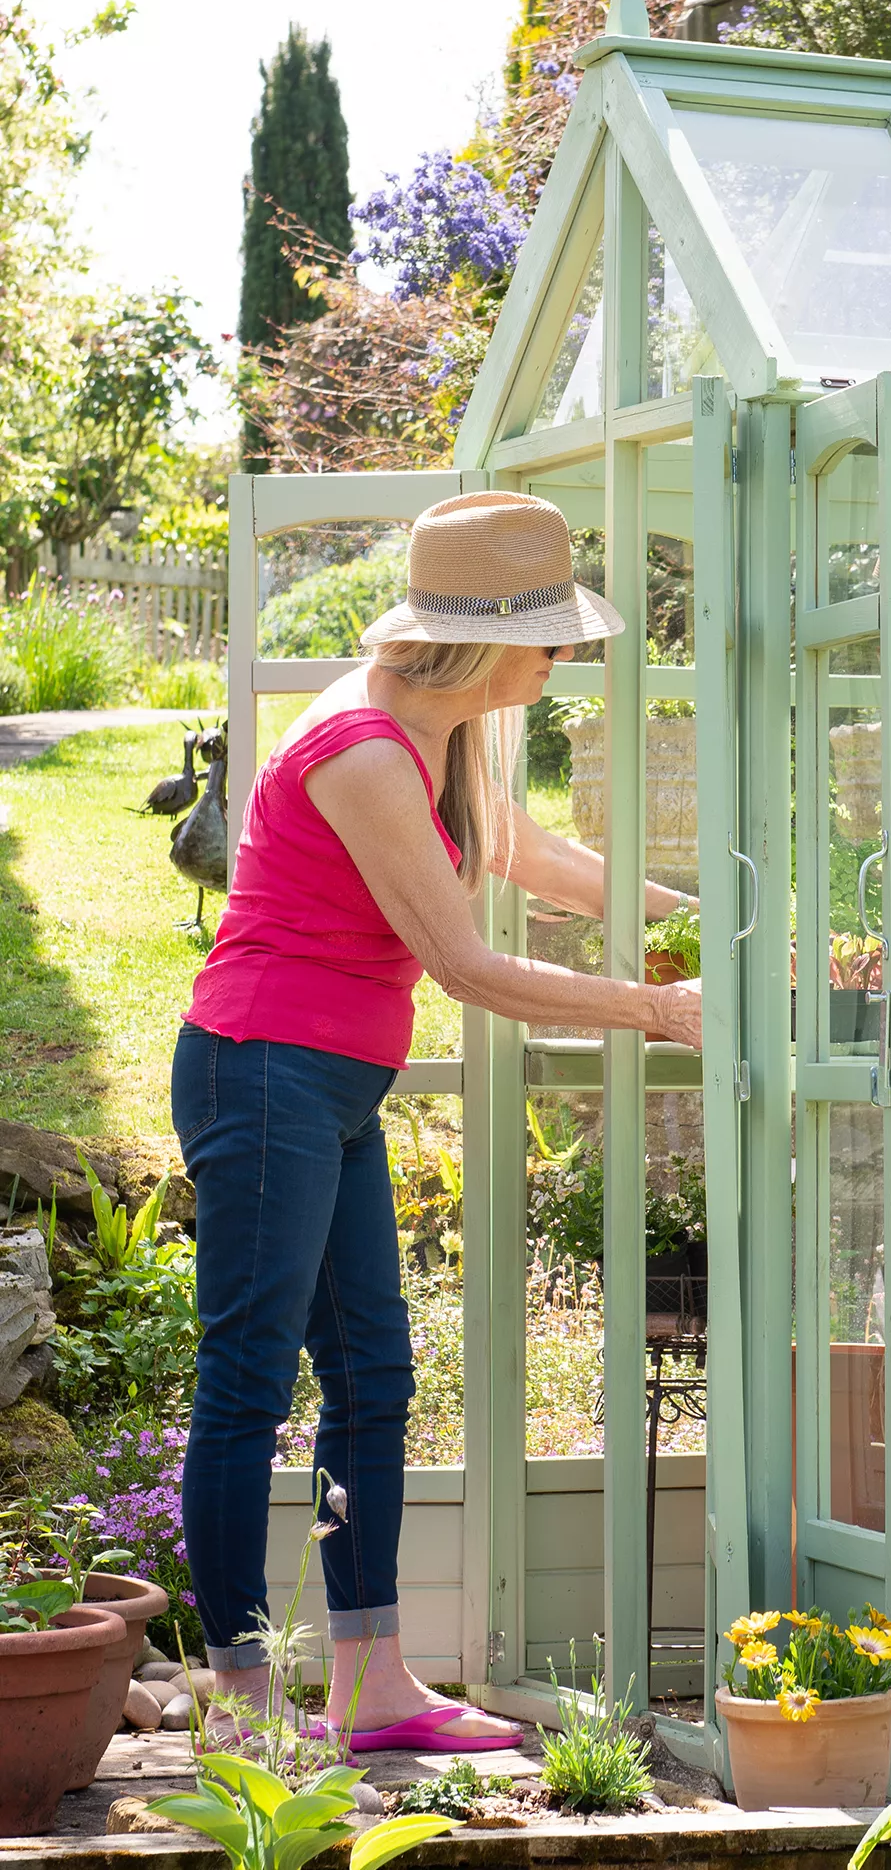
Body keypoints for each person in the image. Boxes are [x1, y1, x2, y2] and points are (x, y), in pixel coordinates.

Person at [173, 491, 700, 1751]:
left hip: (330, 1082)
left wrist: (697, 911)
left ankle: (370, 1685)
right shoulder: (360, 743)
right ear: (476, 636)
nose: (562, 658)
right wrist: (654, 1007)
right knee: (247, 1381)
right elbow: (463, 965)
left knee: (373, 1378)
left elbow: (522, 852)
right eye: (550, 636)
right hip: (260, 1069)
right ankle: (239, 1700)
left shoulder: (437, 726)